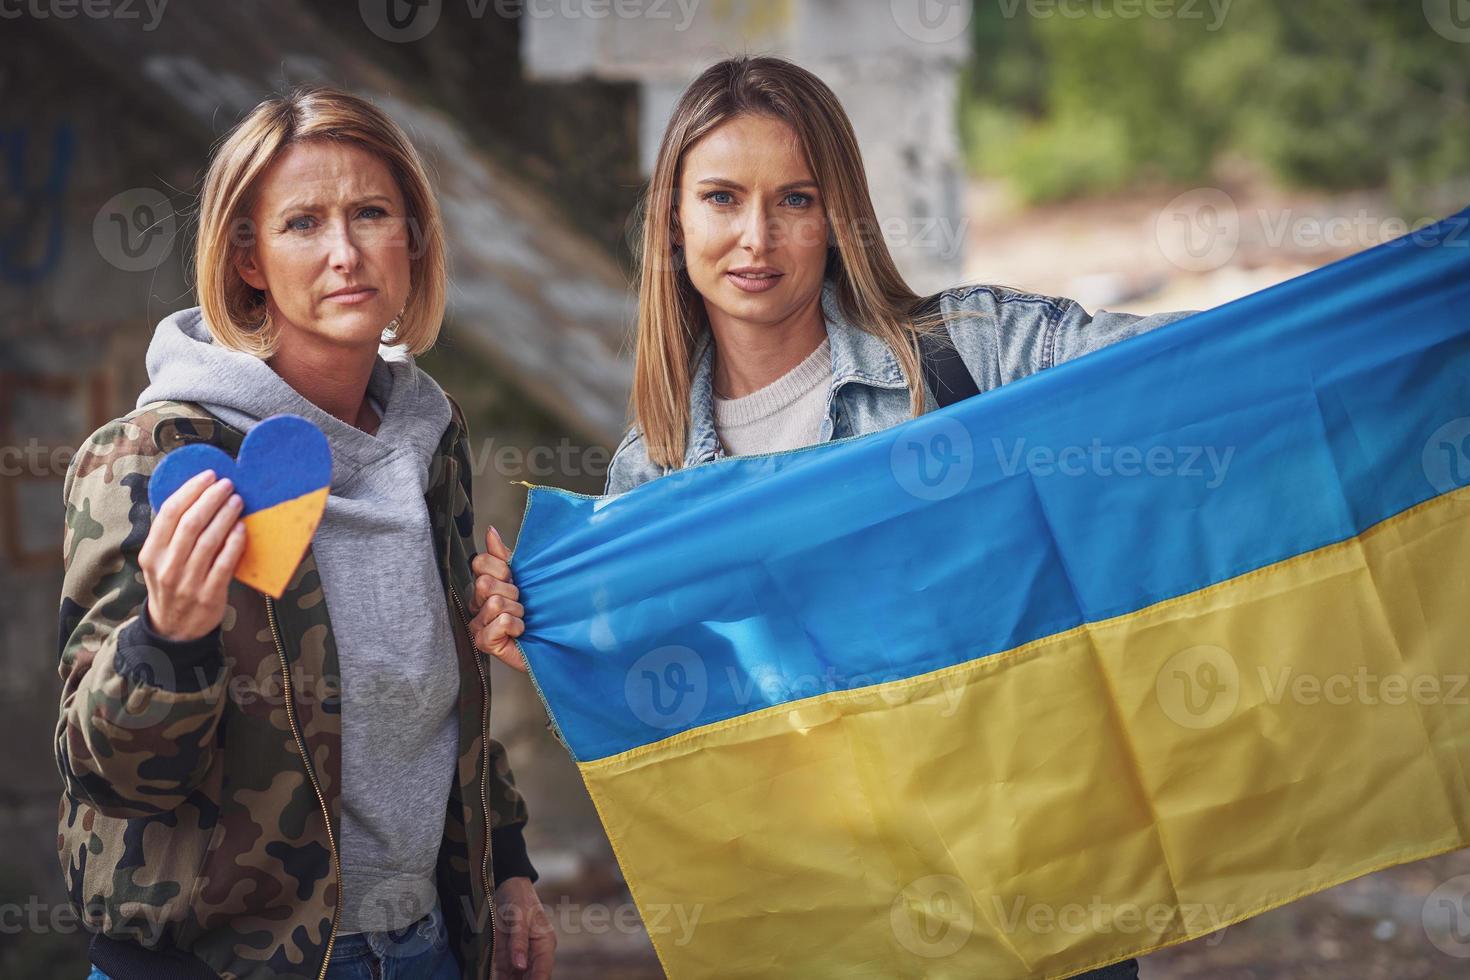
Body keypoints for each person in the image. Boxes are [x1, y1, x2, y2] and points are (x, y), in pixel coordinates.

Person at [471, 56, 1198, 978]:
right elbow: (670, 713)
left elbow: (1181, 370)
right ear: (674, 222)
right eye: (723, 198)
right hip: (835, 925)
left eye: (796, 200)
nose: (756, 238)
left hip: (1037, 901)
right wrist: (541, 634)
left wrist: (1365, 321)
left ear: (838, 217)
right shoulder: (644, 480)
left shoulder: (966, 357)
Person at [57, 85, 554, 980]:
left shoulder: (429, 441)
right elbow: (111, 776)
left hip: (429, 946)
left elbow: (442, 706)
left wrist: (506, 866)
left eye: (372, 214)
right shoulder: (153, 457)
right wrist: (168, 641)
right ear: (246, 257)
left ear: (413, 238)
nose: (345, 253)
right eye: (301, 224)